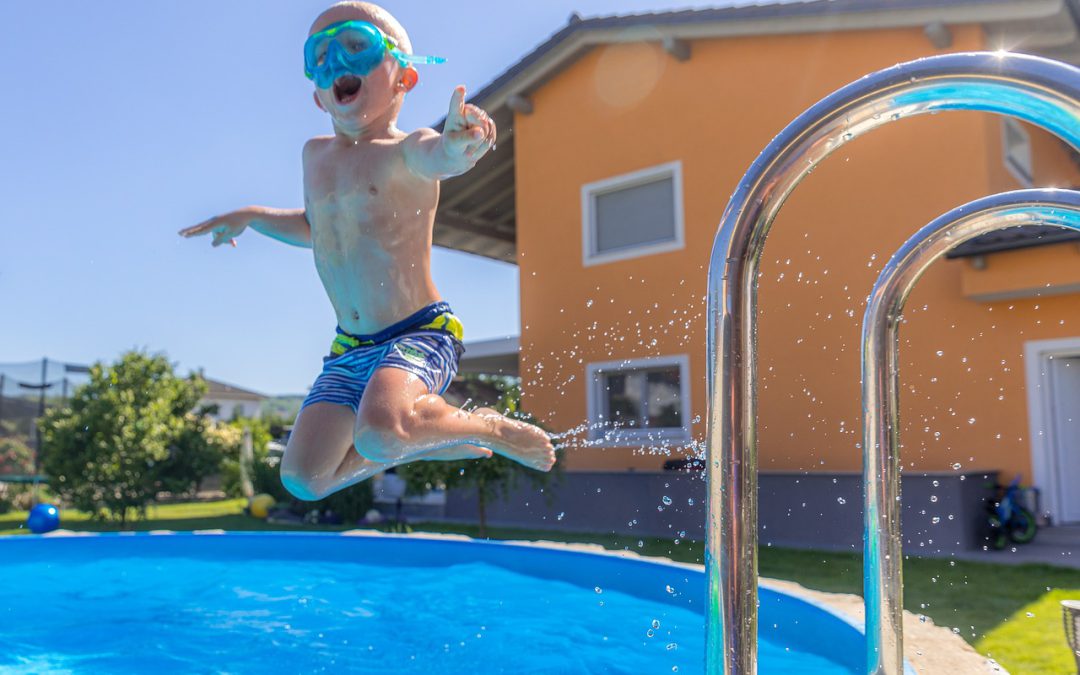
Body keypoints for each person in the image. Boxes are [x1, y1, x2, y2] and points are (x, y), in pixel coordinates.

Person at [180, 2, 555, 500]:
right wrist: (251, 216)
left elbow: (441, 155)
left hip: (418, 333)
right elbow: (318, 228)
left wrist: (463, 142)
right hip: (348, 349)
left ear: (405, 78)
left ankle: (486, 427)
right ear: (318, 95)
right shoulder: (315, 157)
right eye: (322, 53)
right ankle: (416, 440)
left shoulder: (407, 151)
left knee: (380, 432)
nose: (339, 62)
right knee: (304, 479)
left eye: (357, 46)